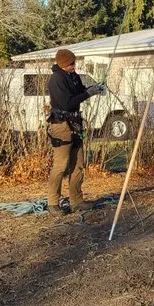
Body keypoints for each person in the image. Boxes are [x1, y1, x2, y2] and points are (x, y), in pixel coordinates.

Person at [46, 48, 105, 214]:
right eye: (71, 63)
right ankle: (52, 203)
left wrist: (94, 89)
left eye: (74, 62)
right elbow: (67, 103)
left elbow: (80, 92)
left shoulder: (74, 77)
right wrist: (88, 94)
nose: (74, 65)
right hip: (61, 125)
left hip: (75, 123)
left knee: (78, 164)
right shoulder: (56, 79)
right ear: (64, 64)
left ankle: (77, 200)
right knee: (60, 165)